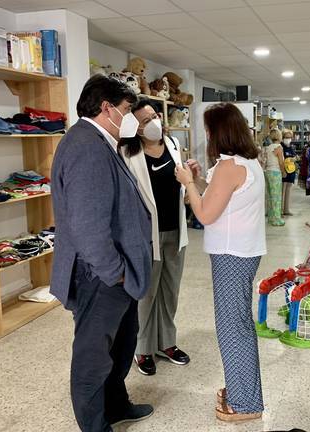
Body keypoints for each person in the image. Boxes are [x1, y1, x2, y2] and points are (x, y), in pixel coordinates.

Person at [50, 74, 153, 432]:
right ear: (107, 108)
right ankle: (95, 425)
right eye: (127, 109)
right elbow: (87, 224)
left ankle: (115, 405)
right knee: (93, 356)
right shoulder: (86, 146)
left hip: (115, 273)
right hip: (101, 275)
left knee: (120, 345)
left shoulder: (100, 141)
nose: (132, 118)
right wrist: (115, 272)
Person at [175, 103, 266, 423]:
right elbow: (219, 199)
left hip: (232, 255)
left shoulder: (229, 167)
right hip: (242, 252)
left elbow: (204, 214)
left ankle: (246, 404)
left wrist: (187, 182)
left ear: (218, 132)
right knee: (237, 324)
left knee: (232, 328)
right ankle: (243, 392)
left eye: (209, 130)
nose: (207, 135)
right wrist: (199, 180)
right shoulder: (246, 162)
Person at [120, 98, 190, 376]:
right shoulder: (128, 153)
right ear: (136, 128)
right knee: (147, 295)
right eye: (146, 120)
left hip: (175, 229)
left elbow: (181, 186)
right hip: (147, 235)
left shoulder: (172, 145)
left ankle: (167, 343)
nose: (154, 123)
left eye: (155, 116)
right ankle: (143, 348)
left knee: (170, 291)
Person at [263, 128, 286, 226]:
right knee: (276, 196)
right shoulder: (279, 147)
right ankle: (277, 219)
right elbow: (281, 162)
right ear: (279, 136)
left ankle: (271, 217)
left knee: (270, 196)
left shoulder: (268, 147)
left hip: (267, 172)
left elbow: (265, 160)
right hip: (275, 172)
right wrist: (283, 172)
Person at [281, 129, 296, 216]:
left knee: (288, 191)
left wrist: (295, 158)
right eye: (286, 137)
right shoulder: (281, 147)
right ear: (282, 137)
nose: (288, 139)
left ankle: (286, 209)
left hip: (291, 171)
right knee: (282, 192)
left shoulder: (291, 147)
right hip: (284, 172)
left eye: (290, 137)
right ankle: (281, 210)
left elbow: (293, 156)